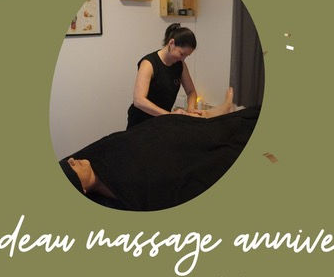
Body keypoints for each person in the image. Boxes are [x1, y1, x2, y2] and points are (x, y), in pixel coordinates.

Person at [60, 88, 259, 211]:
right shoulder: (118, 188)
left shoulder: (90, 157)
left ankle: (216, 113)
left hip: (149, 132)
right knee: (192, 132)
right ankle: (221, 118)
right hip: (164, 146)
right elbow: (155, 182)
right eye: (73, 167)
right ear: (82, 189)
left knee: (178, 121)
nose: (72, 160)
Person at [126, 23, 200, 129]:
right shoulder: (149, 64)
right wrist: (169, 115)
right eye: (181, 54)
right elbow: (139, 101)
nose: (183, 59)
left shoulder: (180, 65)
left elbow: (191, 92)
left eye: (186, 56)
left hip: (162, 121)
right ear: (171, 43)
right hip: (141, 122)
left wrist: (191, 109)